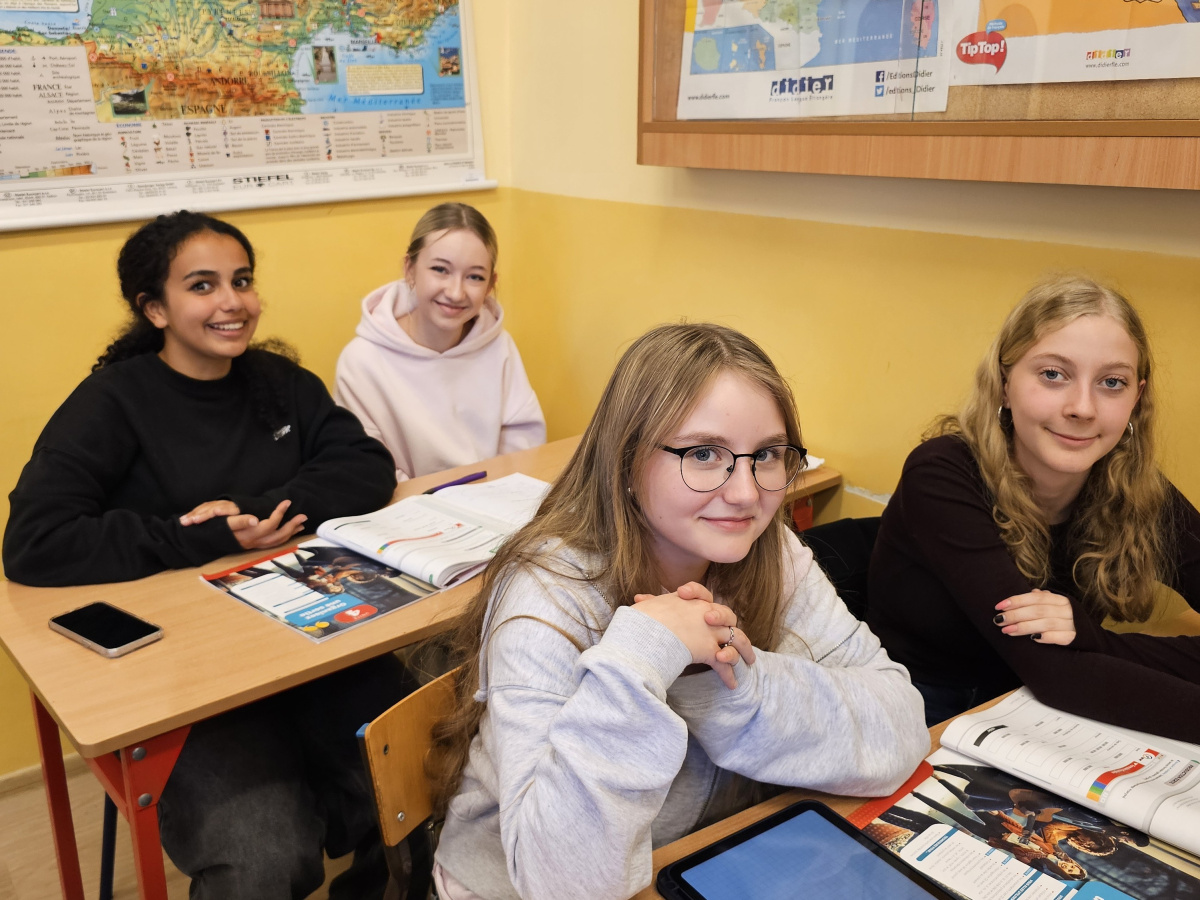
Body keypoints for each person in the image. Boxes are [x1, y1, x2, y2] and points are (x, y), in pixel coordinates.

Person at [426, 323, 929, 900]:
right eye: (704, 454)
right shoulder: (548, 590)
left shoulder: (770, 550)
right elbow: (562, 881)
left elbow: (901, 724)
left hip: (705, 857)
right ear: (625, 461)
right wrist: (639, 661)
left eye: (767, 455)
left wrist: (737, 687)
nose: (746, 493)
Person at [2, 211, 409, 900]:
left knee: (422, 777)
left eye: (242, 281)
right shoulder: (113, 402)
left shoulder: (278, 381)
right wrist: (202, 536)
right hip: (187, 681)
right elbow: (35, 541)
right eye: (202, 285)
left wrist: (257, 509)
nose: (232, 302)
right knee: (264, 857)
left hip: (312, 645)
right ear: (154, 308)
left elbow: (366, 464)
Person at [868, 275, 1200, 737]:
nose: (1082, 407)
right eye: (1053, 374)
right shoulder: (942, 472)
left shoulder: (1133, 484)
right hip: (923, 712)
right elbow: (1055, 671)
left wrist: (1095, 640)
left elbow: (1066, 668)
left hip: (1043, 708)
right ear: (1004, 383)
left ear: (1136, 399)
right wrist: (1091, 647)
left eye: (1112, 382)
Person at [335, 201, 545, 481]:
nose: (456, 292)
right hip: (405, 502)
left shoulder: (498, 345)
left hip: (492, 496)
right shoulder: (361, 361)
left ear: (490, 285)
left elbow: (524, 444)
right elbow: (369, 467)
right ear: (410, 269)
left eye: (474, 276)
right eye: (440, 269)